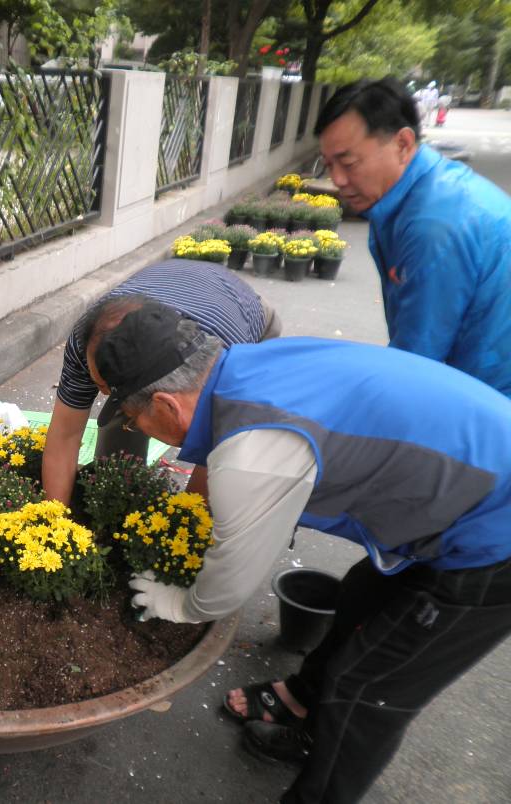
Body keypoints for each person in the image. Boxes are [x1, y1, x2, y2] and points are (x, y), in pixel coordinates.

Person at [94, 302, 511, 804]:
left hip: (493, 533)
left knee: (364, 689)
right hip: (470, 482)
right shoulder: (251, 364)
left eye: (136, 420)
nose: (139, 430)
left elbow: (227, 585)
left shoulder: (251, 450)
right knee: (361, 595)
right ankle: (305, 711)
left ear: (165, 405)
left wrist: (180, 604)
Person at [316, 76, 511, 397]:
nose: (337, 178)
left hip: (493, 401)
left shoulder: (434, 226)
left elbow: (414, 367)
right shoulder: (411, 194)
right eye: (328, 164)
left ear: (403, 144)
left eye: (348, 162)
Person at [41, 258, 280, 505]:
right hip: (170, 287)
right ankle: (119, 499)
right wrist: (56, 521)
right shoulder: (85, 347)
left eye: (105, 385)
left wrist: (186, 524)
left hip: (242, 308)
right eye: (103, 382)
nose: (102, 393)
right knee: (126, 418)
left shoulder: (223, 363)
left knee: (221, 439)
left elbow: (215, 456)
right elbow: (64, 435)